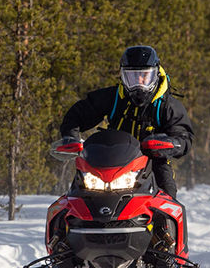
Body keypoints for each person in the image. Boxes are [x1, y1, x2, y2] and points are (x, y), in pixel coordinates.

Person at [59, 45, 194, 199]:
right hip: (110, 162)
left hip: (152, 162)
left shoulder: (167, 105)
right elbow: (78, 114)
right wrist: (71, 138)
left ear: (155, 75)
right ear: (123, 76)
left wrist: (169, 144)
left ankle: (172, 223)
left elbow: (184, 136)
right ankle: (66, 223)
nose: (139, 82)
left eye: (145, 76)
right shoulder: (114, 97)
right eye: (132, 77)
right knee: (73, 199)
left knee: (169, 198)